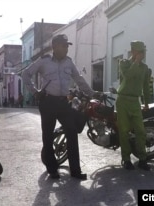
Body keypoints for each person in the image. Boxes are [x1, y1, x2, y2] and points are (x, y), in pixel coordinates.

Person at [22, 34, 95, 180]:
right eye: (64, 45)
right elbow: (25, 74)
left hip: (63, 103)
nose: (67, 48)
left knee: (72, 133)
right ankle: (52, 169)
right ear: (55, 46)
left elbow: (79, 79)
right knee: (47, 137)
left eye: (68, 46)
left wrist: (92, 93)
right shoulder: (44, 61)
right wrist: (34, 92)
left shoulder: (69, 62)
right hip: (48, 102)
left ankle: (75, 170)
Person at [116, 40, 151, 171]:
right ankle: (126, 159)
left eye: (143, 51)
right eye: (140, 51)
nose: (142, 54)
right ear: (133, 52)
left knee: (140, 131)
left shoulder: (145, 68)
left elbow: (146, 87)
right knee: (124, 131)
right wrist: (136, 62)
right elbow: (128, 76)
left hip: (135, 102)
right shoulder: (124, 63)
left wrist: (147, 103)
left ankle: (142, 159)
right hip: (123, 101)